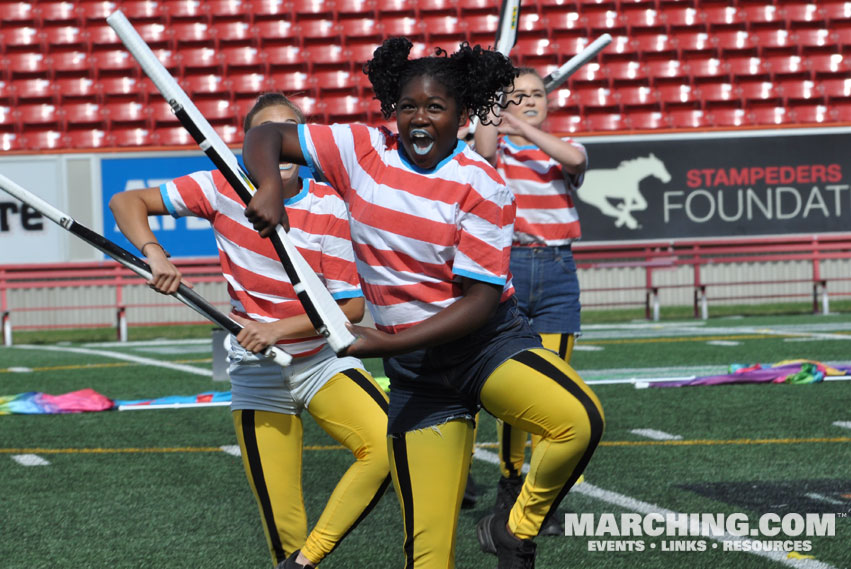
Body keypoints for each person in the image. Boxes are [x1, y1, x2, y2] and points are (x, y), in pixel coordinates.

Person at [241, 38, 605, 569]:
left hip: (486, 347)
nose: (419, 118)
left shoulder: (484, 184)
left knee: (579, 419)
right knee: (429, 557)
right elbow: (266, 134)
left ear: (461, 115)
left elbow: (479, 303)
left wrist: (387, 341)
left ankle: (514, 530)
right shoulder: (361, 148)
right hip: (418, 374)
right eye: (408, 105)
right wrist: (270, 184)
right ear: (393, 107)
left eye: (435, 107)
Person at [108, 93, 391, 569]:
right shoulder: (220, 187)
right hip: (257, 372)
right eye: (267, 132)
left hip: (324, 361)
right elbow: (126, 200)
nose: (278, 146)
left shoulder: (329, 205)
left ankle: (311, 558)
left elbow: (350, 308)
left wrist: (277, 328)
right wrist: (155, 254)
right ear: (247, 146)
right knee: (284, 526)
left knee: (387, 445)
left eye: (289, 132)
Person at [473, 67, 589, 535]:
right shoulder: (494, 151)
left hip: (559, 270)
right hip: (512, 268)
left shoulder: (564, 147)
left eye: (537, 94)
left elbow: (575, 160)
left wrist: (520, 123)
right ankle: (510, 482)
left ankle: (543, 497)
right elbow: (482, 148)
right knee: (520, 389)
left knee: (555, 387)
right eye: (518, 96)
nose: (530, 100)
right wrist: (495, 116)